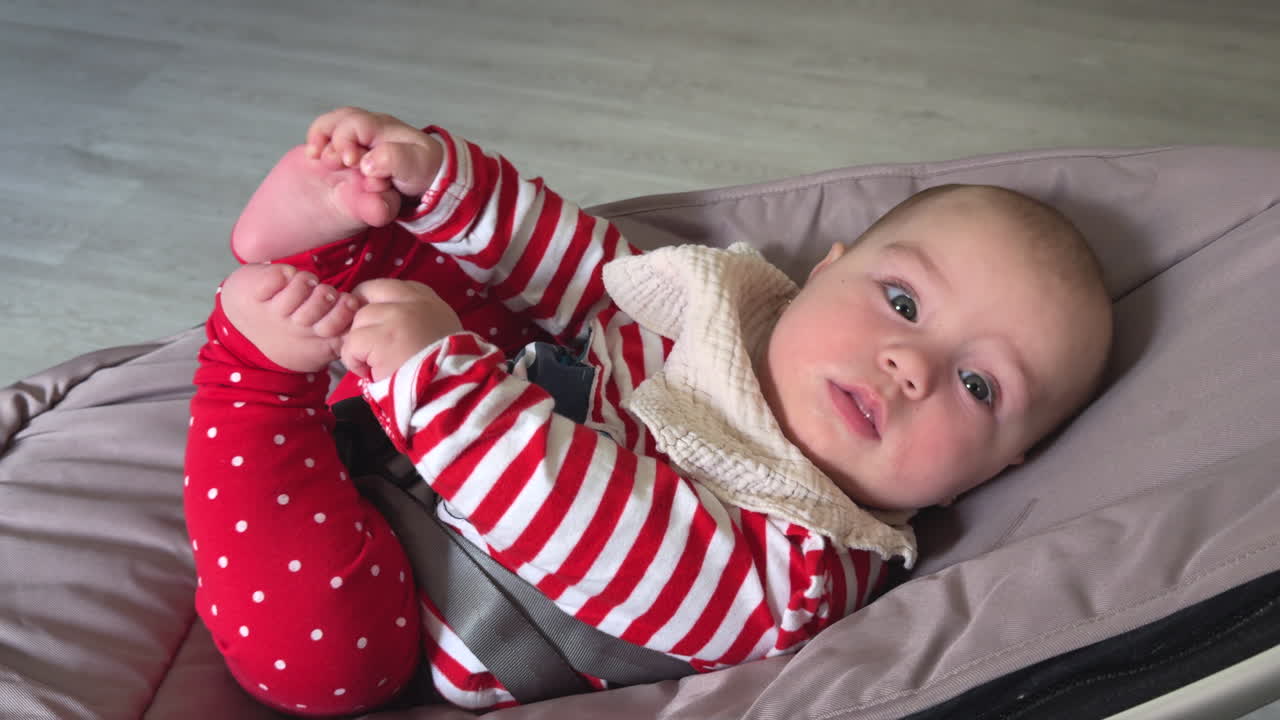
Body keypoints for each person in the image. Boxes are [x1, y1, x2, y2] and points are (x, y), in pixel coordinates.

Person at [183, 107, 1113, 715]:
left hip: (415, 592)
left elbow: (597, 528)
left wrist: (436, 377)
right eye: (903, 303)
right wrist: (444, 183)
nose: (912, 365)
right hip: (430, 399)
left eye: (980, 387)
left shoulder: (809, 560)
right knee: (494, 287)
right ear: (822, 276)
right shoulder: (732, 318)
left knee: (321, 662)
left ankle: (251, 372)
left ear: (999, 468)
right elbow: (587, 273)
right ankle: (333, 238)